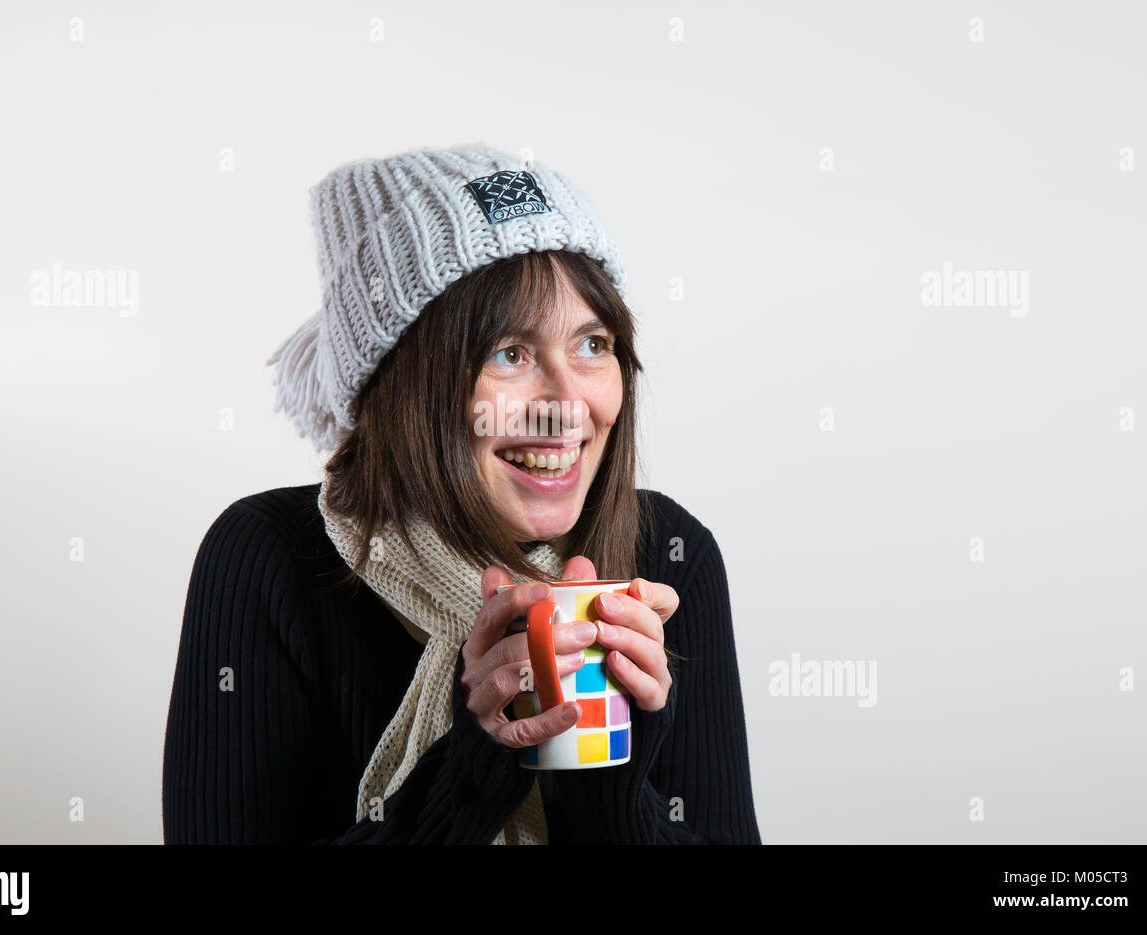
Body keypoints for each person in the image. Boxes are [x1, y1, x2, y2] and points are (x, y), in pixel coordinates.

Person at [161, 144, 762, 844]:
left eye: (592, 344)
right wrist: (475, 768)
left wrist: (614, 779)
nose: (568, 405)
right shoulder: (270, 559)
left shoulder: (670, 556)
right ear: (402, 385)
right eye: (510, 352)